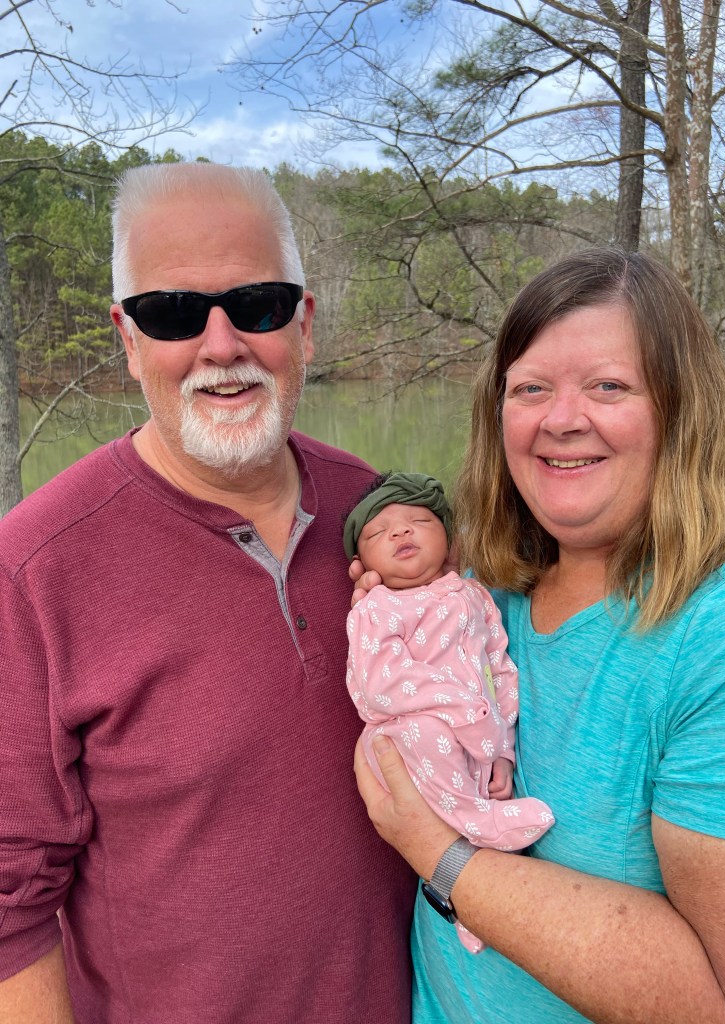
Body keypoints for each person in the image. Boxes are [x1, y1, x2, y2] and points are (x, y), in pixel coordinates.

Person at [0, 163, 415, 1024]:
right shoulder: (32, 570)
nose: (222, 346)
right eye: (174, 312)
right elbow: (11, 904)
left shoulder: (382, 514)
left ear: (304, 323)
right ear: (127, 337)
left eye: (257, 304)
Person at [351, 248, 725, 1023]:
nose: (561, 418)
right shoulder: (487, 588)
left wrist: (442, 855)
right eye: (531, 388)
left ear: (681, 409)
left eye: (608, 386)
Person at [343, 471, 554, 953]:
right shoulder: (376, 610)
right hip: (409, 735)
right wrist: (461, 708)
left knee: (479, 765)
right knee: (422, 732)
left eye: (418, 521)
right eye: (378, 532)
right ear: (362, 563)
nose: (400, 531)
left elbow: (498, 667)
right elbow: (380, 686)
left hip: (479, 732)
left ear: (450, 537)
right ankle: (478, 825)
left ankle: (473, 911)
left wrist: (501, 748)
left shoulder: (473, 595)